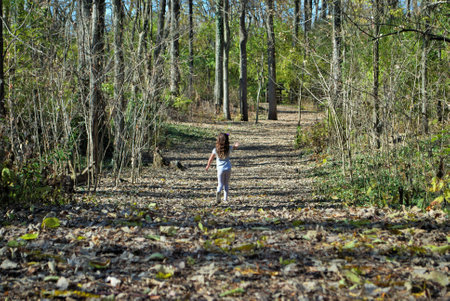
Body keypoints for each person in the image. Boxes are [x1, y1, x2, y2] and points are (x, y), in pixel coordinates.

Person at [206, 133, 239, 203]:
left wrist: (208, 165)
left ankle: (218, 192)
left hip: (220, 169)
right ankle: (225, 199)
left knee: (220, 184)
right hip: (228, 168)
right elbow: (234, 147)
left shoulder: (215, 150)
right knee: (226, 184)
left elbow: (211, 158)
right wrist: (236, 145)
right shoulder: (229, 148)